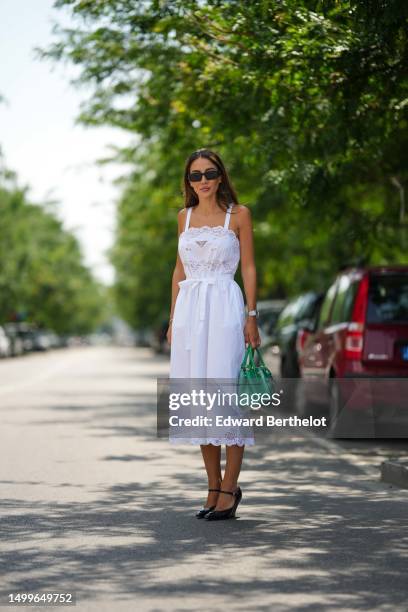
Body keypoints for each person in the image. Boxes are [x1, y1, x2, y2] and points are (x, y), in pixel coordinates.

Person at [167, 148, 260, 520]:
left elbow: (249, 268)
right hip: (190, 313)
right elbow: (178, 271)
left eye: (209, 173)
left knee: (227, 399)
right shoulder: (183, 218)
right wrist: (173, 318)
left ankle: (230, 487)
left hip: (224, 308)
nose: (202, 181)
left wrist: (251, 316)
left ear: (220, 176)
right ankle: (212, 486)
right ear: (188, 182)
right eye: (195, 175)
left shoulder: (239, 215)